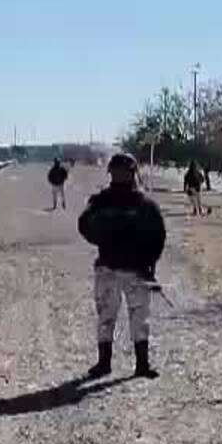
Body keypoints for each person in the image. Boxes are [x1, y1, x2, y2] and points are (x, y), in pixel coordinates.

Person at [79, 153, 167, 379]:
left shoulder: (102, 202)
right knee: (134, 317)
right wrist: (149, 262)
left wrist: (106, 238)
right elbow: (158, 237)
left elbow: (85, 227)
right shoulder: (144, 204)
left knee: (110, 317)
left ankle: (110, 364)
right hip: (128, 270)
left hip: (116, 268)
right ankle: (138, 365)